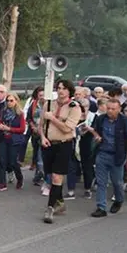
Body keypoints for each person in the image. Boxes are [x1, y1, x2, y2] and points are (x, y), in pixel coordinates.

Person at [41, 79, 82, 224]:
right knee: (51, 175)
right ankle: (60, 203)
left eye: (64, 88)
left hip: (64, 144)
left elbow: (67, 128)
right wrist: (42, 137)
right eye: (58, 88)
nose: (60, 91)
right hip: (48, 144)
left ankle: (50, 208)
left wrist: (52, 118)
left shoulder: (74, 107)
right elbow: (41, 125)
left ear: (69, 91)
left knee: (57, 178)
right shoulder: (49, 104)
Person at [86, 98, 127, 216]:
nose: (110, 111)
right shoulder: (101, 119)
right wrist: (97, 136)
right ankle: (101, 207)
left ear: (119, 109)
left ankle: (119, 200)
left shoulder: (124, 121)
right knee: (101, 182)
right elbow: (96, 131)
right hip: (102, 153)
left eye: (113, 109)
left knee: (117, 182)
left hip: (117, 155)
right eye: (108, 108)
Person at [0, 91, 26, 191]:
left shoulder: (20, 114)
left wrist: (9, 129)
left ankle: (20, 178)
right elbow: (1, 120)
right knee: (2, 161)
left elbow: (22, 129)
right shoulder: (4, 111)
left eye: (11, 101)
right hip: (3, 139)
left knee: (13, 162)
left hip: (14, 140)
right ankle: (2, 183)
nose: (9, 103)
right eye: (7, 101)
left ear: (16, 101)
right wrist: (0, 124)